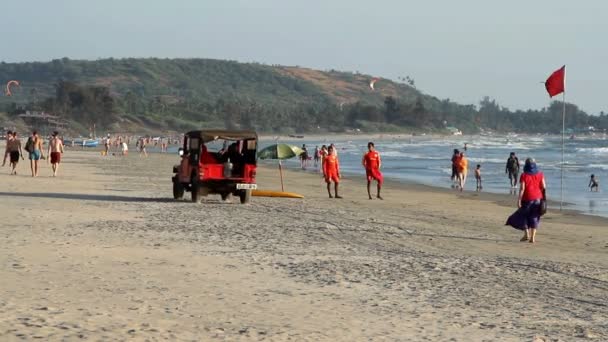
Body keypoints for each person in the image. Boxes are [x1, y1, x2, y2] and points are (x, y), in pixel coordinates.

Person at [510, 158, 546, 243]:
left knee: (523, 216)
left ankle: (526, 234)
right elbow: (544, 186)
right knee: (535, 217)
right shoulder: (540, 174)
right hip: (538, 198)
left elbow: (522, 188)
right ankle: (532, 238)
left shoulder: (524, 175)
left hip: (527, 198)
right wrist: (543, 197)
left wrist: (519, 200)